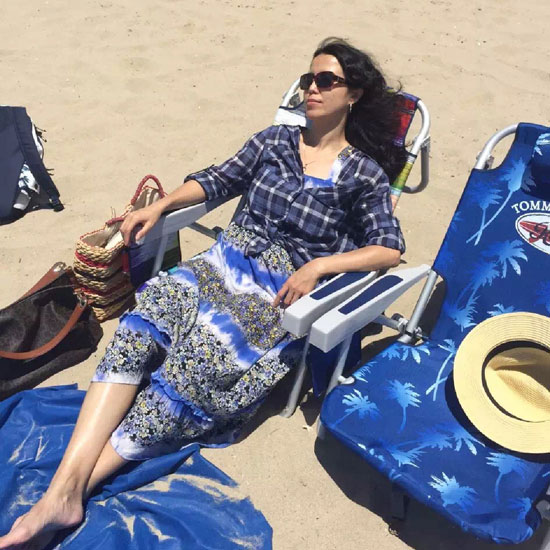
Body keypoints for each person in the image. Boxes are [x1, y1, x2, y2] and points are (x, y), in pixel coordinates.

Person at [0, 37, 406, 549]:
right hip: (222, 262)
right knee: (142, 321)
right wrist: (159, 206)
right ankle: (64, 490)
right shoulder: (276, 140)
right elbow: (218, 180)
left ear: (354, 95)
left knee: (200, 367)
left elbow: (388, 249)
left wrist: (321, 266)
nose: (312, 89)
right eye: (308, 79)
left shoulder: (364, 174)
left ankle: (68, 491)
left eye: (327, 81)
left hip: (276, 292)